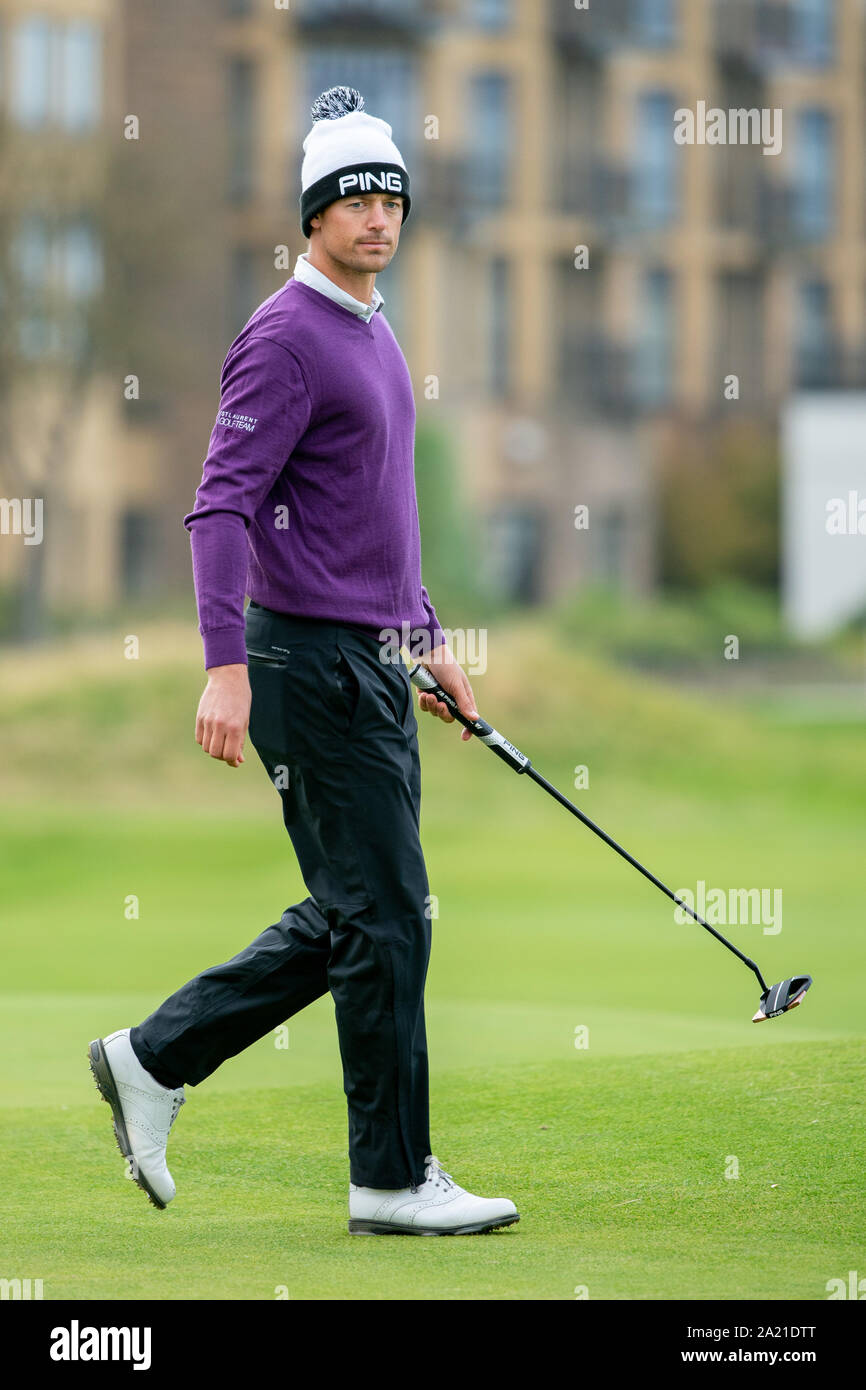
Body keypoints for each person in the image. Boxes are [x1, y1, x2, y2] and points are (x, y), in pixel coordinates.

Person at [89, 86, 519, 1237]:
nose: (377, 217)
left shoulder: (372, 330)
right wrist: (224, 666)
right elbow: (218, 508)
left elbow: (377, 518)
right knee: (386, 913)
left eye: (390, 197)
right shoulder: (283, 336)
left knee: (366, 910)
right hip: (304, 667)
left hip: (369, 660)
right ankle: (388, 1177)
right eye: (353, 200)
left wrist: (425, 640)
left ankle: (151, 1058)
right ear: (312, 216)